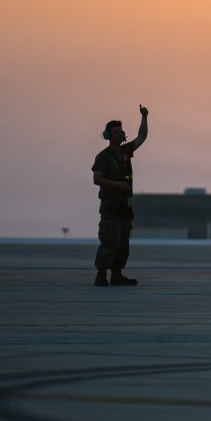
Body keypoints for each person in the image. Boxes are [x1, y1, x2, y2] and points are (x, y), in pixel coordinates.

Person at [91, 105, 148, 287]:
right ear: (108, 135)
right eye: (115, 132)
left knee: (123, 243)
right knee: (109, 241)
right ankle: (101, 275)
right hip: (110, 207)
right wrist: (118, 185)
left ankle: (117, 275)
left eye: (121, 132)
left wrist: (144, 117)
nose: (119, 134)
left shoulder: (125, 152)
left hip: (124, 206)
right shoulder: (103, 157)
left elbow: (142, 137)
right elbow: (97, 179)